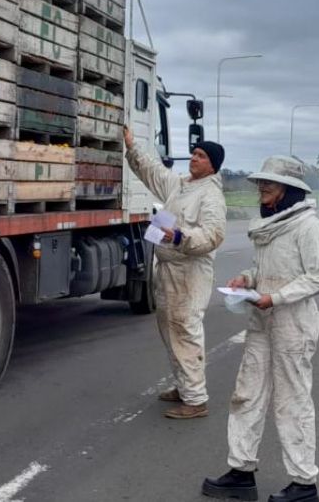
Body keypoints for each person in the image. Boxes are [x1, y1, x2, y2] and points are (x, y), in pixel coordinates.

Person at [202, 156, 319, 502]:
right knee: (246, 395)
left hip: (292, 323)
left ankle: (304, 484)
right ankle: (241, 471)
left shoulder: (307, 226)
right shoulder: (269, 224)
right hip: (262, 320)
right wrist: (248, 279)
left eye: (269, 186)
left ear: (287, 190)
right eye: (261, 185)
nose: (261, 191)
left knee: (292, 401)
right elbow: (266, 266)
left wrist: (276, 296)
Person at [122, 127, 226, 419]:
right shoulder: (181, 185)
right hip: (168, 269)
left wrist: (179, 237)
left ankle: (196, 400)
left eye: (201, 156)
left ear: (213, 165)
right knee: (169, 330)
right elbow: (151, 171)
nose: (194, 158)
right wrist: (131, 146)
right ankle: (184, 386)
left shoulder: (210, 196)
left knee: (184, 329)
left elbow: (213, 236)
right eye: (194, 153)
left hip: (188, 271)